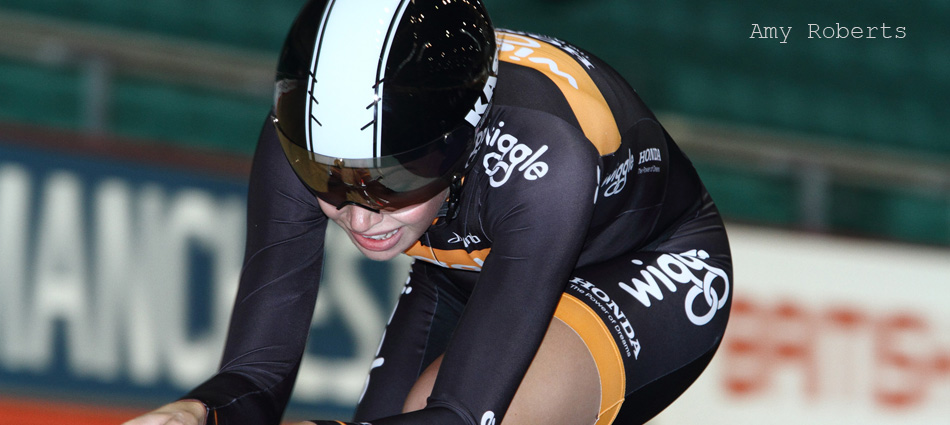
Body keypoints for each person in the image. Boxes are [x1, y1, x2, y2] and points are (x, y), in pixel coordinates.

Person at [123, 0, 732, 424]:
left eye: (393, 179)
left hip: (645, 262)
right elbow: (257, 376)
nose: (360, 218)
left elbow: (464, 416)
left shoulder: (547, 159)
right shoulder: (304, 134)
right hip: (470, 259)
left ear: (463, 142)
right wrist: (199, 410)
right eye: (327, 181)